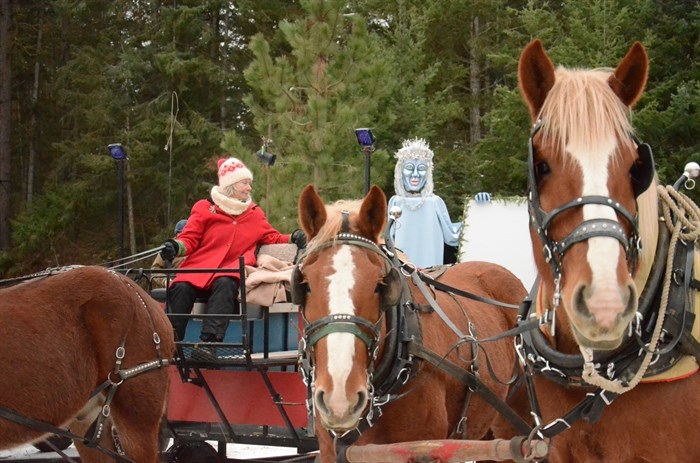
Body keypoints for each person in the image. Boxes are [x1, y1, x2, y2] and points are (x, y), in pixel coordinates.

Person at [160, 157, 307, 350]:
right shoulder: (204, 209)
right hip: (200, 270)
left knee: (226, 284)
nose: (249, 188)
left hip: (228, 271)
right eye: (245, 183)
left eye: (249, 183)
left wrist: (292, 237)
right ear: (231, 185)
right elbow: (190, 238)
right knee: (182, 287)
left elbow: (271, 236)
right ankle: (169, 341)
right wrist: (176, 247)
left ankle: (209, 345)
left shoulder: (254, 213)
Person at [387, 138, 461, 268]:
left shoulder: (435, 202)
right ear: (401, 172)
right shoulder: (395, 202)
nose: (415, 174)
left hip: (431, 275)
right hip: (402, 273)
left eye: (421, 168)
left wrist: (478, 208)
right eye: (409, 168)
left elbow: (452, 236)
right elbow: (388, 238)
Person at [150, 219, 188, 289]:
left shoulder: (198, 245)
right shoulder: (168, 248)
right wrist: (165, 281)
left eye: (186, 233)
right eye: (180, 233)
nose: (183, 235)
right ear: (176, 234)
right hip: (175, 284)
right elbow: (155, 268)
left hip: (194, 282)